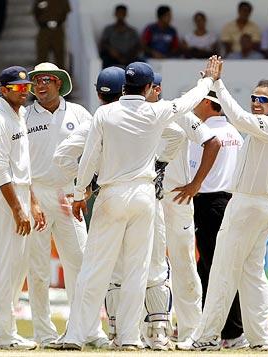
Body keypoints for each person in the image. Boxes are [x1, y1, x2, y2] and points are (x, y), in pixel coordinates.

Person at [61, 57, 222, 350]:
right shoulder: (157, 112)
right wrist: (208, 80)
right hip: (145, 196)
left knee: (95, 268)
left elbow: (89, 158)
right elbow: (188, 101)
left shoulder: (105, 114)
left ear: (125, 86)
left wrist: (79, 192)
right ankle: (130, 337)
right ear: (149, 87)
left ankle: (75, 335)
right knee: (138, 269)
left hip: (111, 193)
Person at [185, 78, 268, 351]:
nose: (256, 103)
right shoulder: (260, 130)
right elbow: (242, 119)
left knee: (221, 271)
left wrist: (217, 85)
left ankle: (206, 337)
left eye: (263, 100)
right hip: (258, 206)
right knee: (252, 274)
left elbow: (238, 117)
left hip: (247, 206)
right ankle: (260, 339)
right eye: (254, 98)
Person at [25, 62, 108, 349]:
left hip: (67, 195)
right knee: (36, 268)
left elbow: (94, 153)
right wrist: (31, 200)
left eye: (46, 80)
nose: (40, 85)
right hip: (35, 194)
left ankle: (89, 329)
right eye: (36, 81)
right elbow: (18, 165)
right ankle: (43, 333)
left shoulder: (79, 114)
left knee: (81, 263)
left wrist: (84, 189)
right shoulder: (23, 116)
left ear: (59, 83)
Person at [148, 77, 221, 345]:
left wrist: (196, 183)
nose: (149, 92)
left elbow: (212, 142)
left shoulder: (177, 113)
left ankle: (192, 331)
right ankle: (153, 331)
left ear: (158, 90)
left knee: (184, 264)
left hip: (177, 197)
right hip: (146, 198)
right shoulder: (135, 114)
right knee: (147, 264)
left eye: (153, 88)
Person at [0, 66, 46, 350]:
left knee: (18, 268)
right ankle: (0, 335)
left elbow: (24, 167)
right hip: (6, 197)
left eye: (27, 88)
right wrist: (18, 209)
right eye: (19, 88)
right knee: (5, 267)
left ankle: (9, 330)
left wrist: (31, 202)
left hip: (20, 193)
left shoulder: (18, 116)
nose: (25, 92)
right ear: (4, 90)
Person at [189, 91, 247, 349]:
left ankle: (230, 332)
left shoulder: (201, 132)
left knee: (213, 269)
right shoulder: (235, 133)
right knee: (219, 268)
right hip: (230, 201)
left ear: (207, 103)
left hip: (208, 202)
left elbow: (192, 167)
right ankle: (222, 329)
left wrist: (192, 185)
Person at [33, 0, 70, 68]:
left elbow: (65, 11)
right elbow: (35, 11)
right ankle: (39, 76)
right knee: (42, 55)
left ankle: (60, 77)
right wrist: (42, 23)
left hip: (58, 30)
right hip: (44, 30)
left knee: (59, 56)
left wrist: (58, 22)